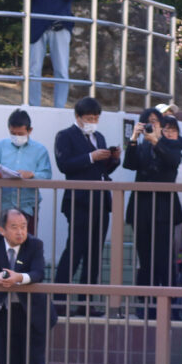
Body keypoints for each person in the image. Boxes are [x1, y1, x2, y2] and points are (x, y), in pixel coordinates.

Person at [53, 95, 118, 307]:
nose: (92, 121)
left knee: (95, 253)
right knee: (75, 249)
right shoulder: (65, 135)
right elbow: (64, 164)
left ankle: (86, 303)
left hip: (100, 201)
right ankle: (59, 300)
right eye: (88, 117)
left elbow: (102, 169)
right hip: (79, 200)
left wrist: (113, 159)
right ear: (78, 117)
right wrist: (91, 156)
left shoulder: (98, 136)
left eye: (96, 117)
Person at [0, 207, 54, 364]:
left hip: (33, 314)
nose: (20, 232)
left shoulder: (35, 245)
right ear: (2, 230)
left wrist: (18, 278)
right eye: (14, 227)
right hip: (5, 312)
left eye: (23, 226)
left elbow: (38, 273)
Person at [125, 108, 182, 288]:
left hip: (164, 208)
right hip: (142, 208)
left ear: (161, 124)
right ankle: (145, 305)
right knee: (145, 258)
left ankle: (169, 303)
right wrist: (134, 139)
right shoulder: (140, 145)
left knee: (164, 257)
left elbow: (172, 162)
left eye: (155, 121)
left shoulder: (171, 144)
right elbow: (129, 164)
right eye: (148, 122)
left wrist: (156, 142)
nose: (152, 125)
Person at [22, 0, 79, 109]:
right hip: (37, 27)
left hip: (60, 25)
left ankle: (60, 107)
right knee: (33, 70)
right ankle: (33, 106)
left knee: (62, 70)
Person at [0, 108, 51, 233]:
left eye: (20, 134)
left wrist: (32, 174)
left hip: (27, 206)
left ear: (29, 130)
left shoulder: (40, 150)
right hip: (2, 205)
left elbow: (47, 175)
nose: (16, 137)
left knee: (27, 247)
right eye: (13, 133)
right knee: (0, 246)